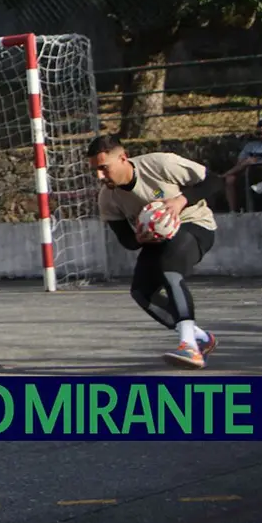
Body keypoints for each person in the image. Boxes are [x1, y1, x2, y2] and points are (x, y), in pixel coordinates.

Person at [87, 135, 222, 368]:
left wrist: (181, 201)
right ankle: (202, 337)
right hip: (156, 240)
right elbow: (127, 240)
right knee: (141, 291)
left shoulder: (160, 164)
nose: (100, 176)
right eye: (95, 170)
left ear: (123, 158)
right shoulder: (107, 199)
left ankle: (190, 347)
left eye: (103, 168)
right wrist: (138, 238)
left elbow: (214, 181)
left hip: (195, 225)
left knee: (170, 270)